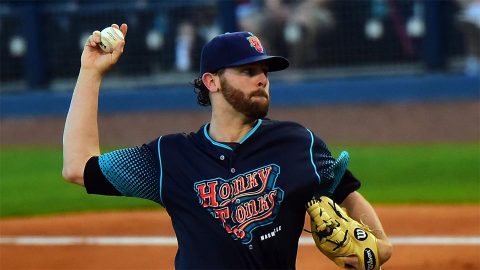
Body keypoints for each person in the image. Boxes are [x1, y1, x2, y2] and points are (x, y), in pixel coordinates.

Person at [62, 23, 392, 269]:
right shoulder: (170, 157)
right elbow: (79, 167)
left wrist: (381, 246)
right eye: (248, 71)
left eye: (264, 71)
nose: (262, 79)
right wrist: (90, 73)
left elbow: (344, 189)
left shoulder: (297, 143)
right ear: (212, 81)